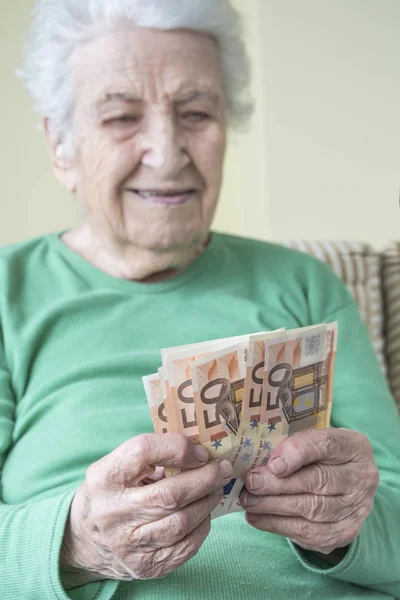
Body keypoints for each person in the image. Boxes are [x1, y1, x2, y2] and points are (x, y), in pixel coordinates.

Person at [1, 0, 399, 598]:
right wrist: (77, 542)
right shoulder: (11, 293)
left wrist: (345, 525)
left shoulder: (306, 284)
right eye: (121, 118)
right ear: (61, 145)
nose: (167, 152)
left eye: (196, 113)